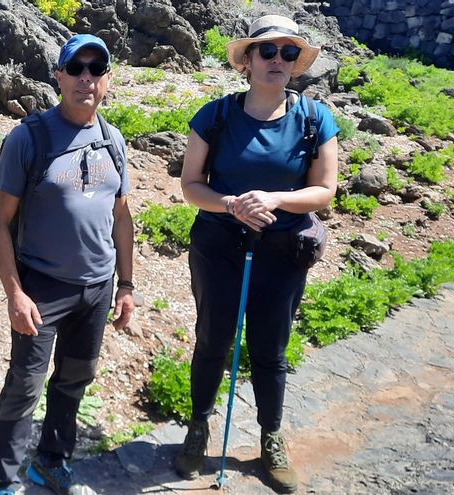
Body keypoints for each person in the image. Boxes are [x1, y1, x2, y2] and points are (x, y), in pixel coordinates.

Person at [175, 15, 338, 494]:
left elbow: (324, 191)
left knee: (271, 348)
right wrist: (231, 204)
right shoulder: (215, 115)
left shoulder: (314, 118)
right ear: (247, 61)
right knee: (213, 340)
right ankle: (198, 428)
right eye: (268, 52)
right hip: (219, 247)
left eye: (289, 53)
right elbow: (190, 187)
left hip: (283, 250)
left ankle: (271, 436)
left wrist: (272, 199)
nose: (279, 61)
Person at [0, 34, 135, 495]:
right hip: (42, 287)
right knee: (25, 386)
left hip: (97, 288)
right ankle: (4, 482)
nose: (85, 78)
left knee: (75, 377)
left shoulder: (113, 140)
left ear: (107, 79)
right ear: (58, 76)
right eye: (76, 69)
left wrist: (126, 285)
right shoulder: (28, 138)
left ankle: (50, 461)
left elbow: (122, 217)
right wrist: (15, 293)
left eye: (96, 69)